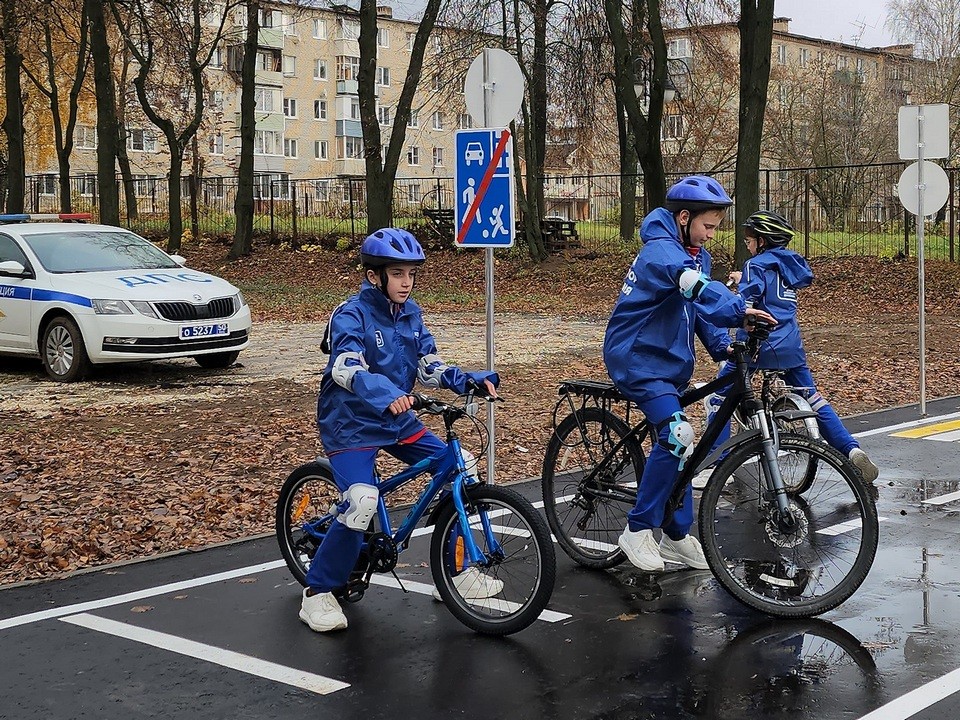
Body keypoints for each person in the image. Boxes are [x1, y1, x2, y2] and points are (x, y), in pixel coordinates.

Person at [299, 228, 500, 632]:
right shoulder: (350, 314)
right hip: (350, 423)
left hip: (396, 419)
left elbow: (428, 365)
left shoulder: (411, 313)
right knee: (361, 500)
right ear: (374, 276)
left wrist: (466, 380)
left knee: (461, 467)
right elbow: (345, 367)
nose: (406, 282)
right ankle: (317, 592)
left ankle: (456, 572)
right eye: (397, 273)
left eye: (411, 274)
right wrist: (386, 392)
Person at [603, 175, 777, 573]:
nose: (712, 235)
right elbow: (697, 290)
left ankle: (676, 536)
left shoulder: (697, 255)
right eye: (708, 226)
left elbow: (695, 309)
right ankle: (637, 530)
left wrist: (722, 345)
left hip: (666, 362)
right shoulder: (661, 252)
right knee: (678, 434)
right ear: (684, 217)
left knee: (684, 446)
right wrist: (738, 310)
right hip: (637, 359)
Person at [695, 210, 879, 488]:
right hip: (791, 346)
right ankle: (850, 449)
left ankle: (714, 465)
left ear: (762, 241)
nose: (747, 244)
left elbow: (747, 305)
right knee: (813, 398)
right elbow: (774, 289)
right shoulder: (792, 263)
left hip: (759, 345)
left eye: (750, 240)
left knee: (719, 398)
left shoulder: (755, 265)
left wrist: (739, 289)